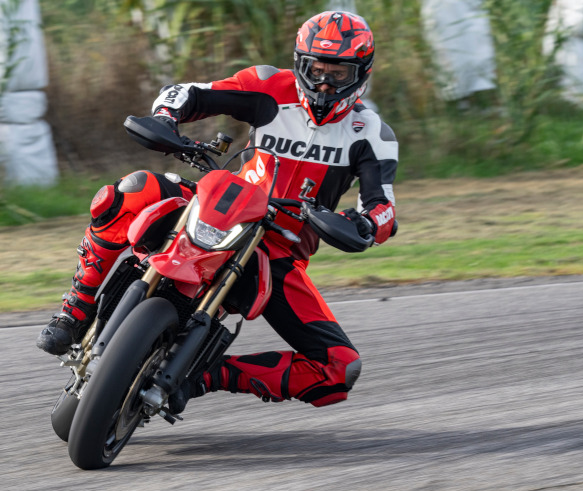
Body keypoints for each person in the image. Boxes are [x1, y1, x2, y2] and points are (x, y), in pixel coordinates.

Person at [37, 10, 398, 412]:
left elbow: (383, 208)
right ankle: (77, 306)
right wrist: (166, 119)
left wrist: (363, 222)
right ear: (300, 63)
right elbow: (188, 92)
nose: (324, 83)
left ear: (361, 74)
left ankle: (206, 375)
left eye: (339, 74)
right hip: (222, 203)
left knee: (339, 370)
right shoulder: (269, 86)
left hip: (278, 246)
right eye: (315, 69)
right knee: (129, 191)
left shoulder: (372, 134)